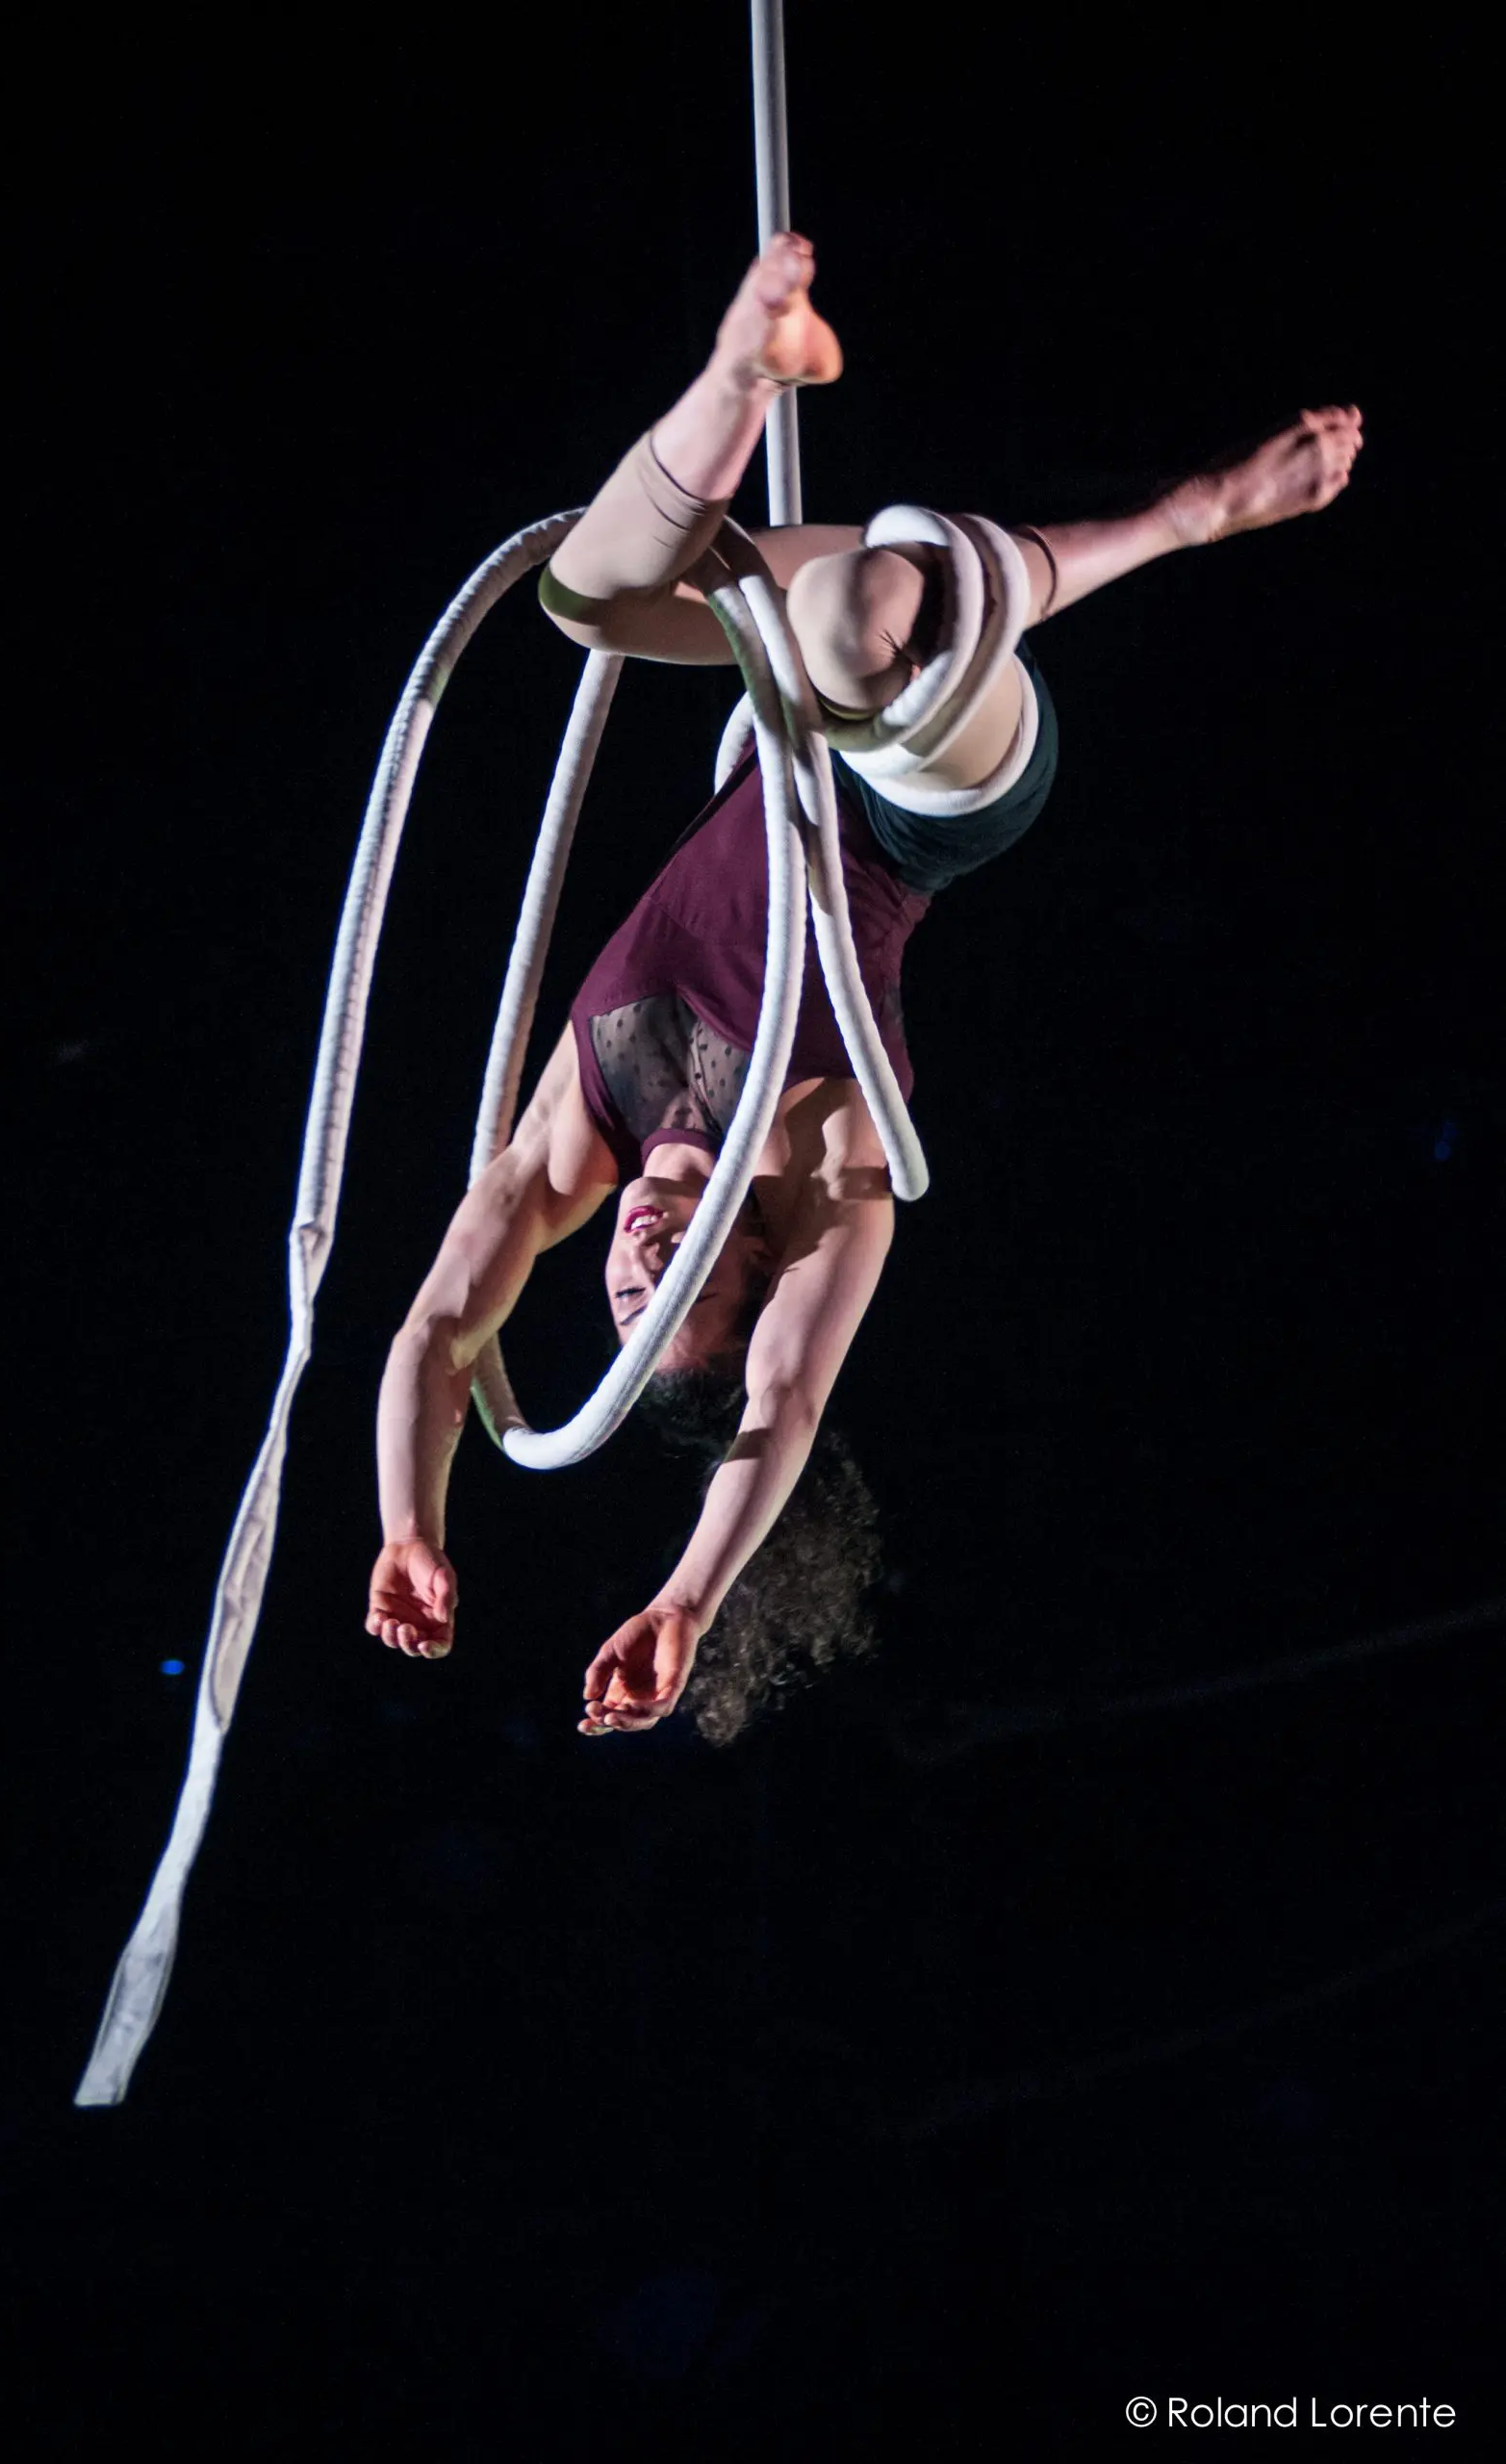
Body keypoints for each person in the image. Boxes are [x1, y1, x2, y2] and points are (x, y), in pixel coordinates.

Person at [365, 235, 1363, 1739]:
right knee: (846, 629)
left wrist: (412, 1526)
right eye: (685, 1283)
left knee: (588, 597)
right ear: (751, 1271)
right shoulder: (831, 1163)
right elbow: (784, 1409)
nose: (641, 1252)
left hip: (791, 732)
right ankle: (1187, 517)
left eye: (626, 1290)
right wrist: (689, 1597)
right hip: (935, 798)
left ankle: (743, 364)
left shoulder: (580, 1133)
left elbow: (442, 1331)